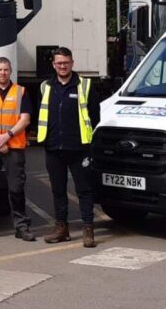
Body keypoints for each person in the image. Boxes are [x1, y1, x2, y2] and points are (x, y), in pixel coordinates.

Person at [38, 46, 100, 248]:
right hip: (54, 148)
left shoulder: (85, 85)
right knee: (58, 190)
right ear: (53, 65)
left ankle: (88, 229)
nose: (62, 66)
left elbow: (94, 116)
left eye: (66, 62)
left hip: (79, 148)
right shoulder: (46, 86)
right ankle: (61, 228)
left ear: (72, 63)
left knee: (84, 190)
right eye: (59, 63)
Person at [0, 57, 35, 241]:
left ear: (10, 71)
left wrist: (6, 136)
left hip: (14, 145)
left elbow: (25, 119)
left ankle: (21, 226)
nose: (2, 73)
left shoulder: (21, 92)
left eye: (6, 70)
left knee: (16, 188)